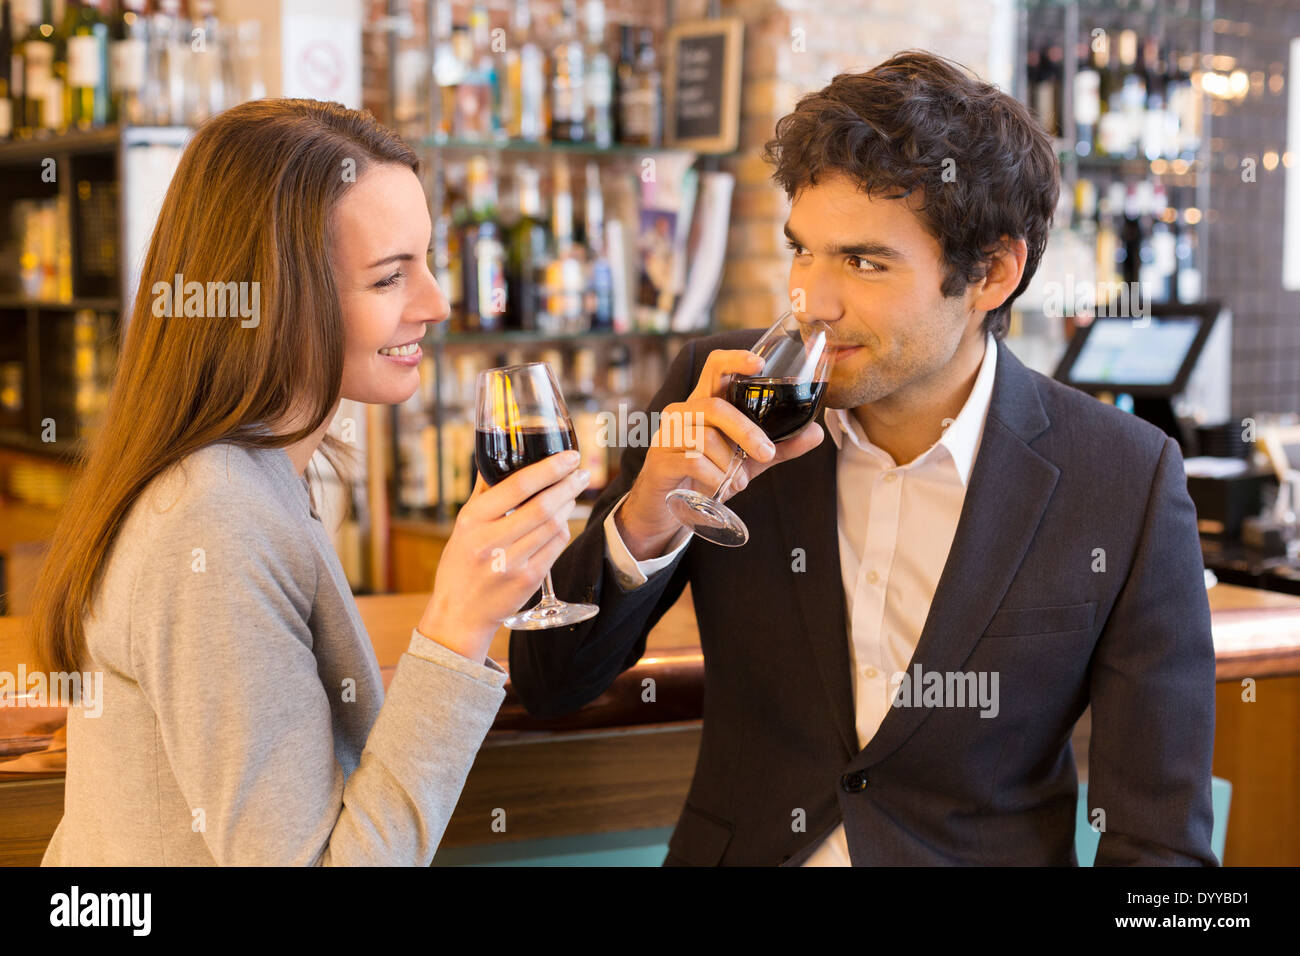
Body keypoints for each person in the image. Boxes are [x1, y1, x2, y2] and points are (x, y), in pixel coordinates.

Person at [509, 51, 1219, 866]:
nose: (814, 300)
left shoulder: (1123, 478)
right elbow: (550, 681)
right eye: (802, 252)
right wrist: (643, 521)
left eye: (863, 261)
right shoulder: (722, 396)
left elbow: (1162, 847)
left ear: (992, 272)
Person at [32, 99, 591, 865]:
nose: (435, 304)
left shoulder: (249, 474)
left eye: (427, 263)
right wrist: (459, 625)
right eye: (391, 278)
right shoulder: (215, 519)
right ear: (276, 297)